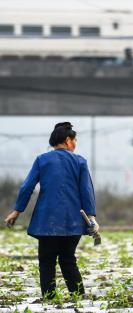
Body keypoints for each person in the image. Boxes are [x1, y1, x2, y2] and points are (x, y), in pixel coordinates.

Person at [4, 122, 98, 299]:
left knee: (46, 262)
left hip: (46, 221)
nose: (75, 143)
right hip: (73, 221)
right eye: (75, 139)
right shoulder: (80, 162)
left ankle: (49, 298)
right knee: (68, 260)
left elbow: (27, 187)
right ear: (68, 140)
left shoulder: (42, 160)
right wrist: (91, 217)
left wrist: (17, 211)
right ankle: (79, 297)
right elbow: (87, 191)